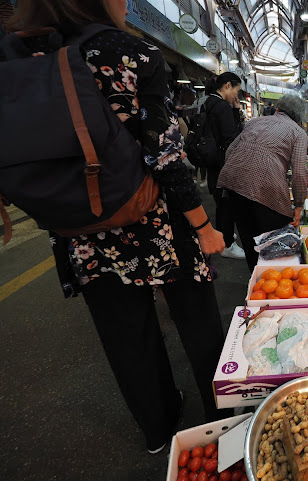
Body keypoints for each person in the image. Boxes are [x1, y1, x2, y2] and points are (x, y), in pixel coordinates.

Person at [5, 0, 232, 454]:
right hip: (154, 224)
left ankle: (159, 427)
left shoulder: (16, 53)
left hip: (80, 229)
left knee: (127, 338)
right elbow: (164, 154)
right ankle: (223, 423)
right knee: (199, 324)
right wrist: (204, 225)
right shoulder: (128, 52)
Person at [217, 94, 308, 271]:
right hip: (267, 188)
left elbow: (231, 150)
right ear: (298, 118)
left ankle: (256, 282)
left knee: (250, 240)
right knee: (274, 242)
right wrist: (298, 205)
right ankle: (274, 282)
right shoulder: (298, 132)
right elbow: (299, 172)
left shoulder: (254, 122)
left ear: (278, 109)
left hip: (233, 185)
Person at [202, 72, 246, 260]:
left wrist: (234, 109)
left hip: (212, 162)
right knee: (226, 204)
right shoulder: (221, 107)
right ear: (227, 85)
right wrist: (235, 112)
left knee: (221, 202)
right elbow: (232, 139)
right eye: (236, 90)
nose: (236, 95)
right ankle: (227, 243)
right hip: (222, 164)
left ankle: (223, 234)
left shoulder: (208, 102)